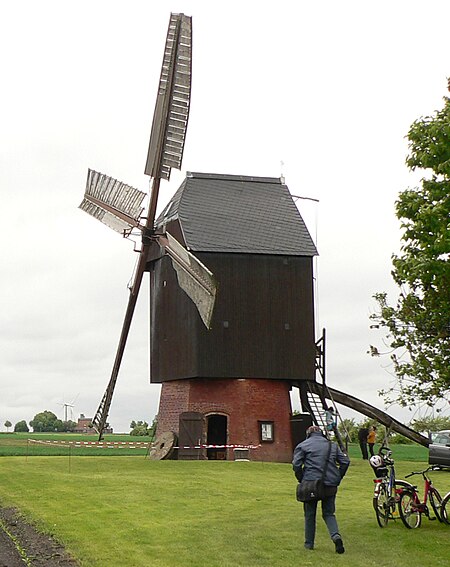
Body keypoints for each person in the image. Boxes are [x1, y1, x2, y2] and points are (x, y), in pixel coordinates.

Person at [292, 425, 350, 554]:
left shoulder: (303, 445)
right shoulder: (332, 445)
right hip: (330, 485)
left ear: (308, 433)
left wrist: (302, 478)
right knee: (329, 513)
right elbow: (345, 462)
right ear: (321, 433)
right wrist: (338, 476)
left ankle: (309, 544)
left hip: (310, 484)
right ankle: (336, 536)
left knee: (310, 514)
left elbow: (296, 465)